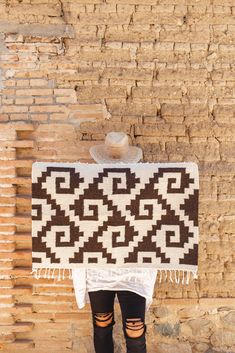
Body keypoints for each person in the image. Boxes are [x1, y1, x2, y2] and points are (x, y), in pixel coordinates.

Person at [72, 132, 158, 353]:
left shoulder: (143, 183)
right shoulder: (89, 184)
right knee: (102, 322)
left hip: (134, 264)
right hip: (99, 264)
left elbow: (155, 217)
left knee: (135, 326)